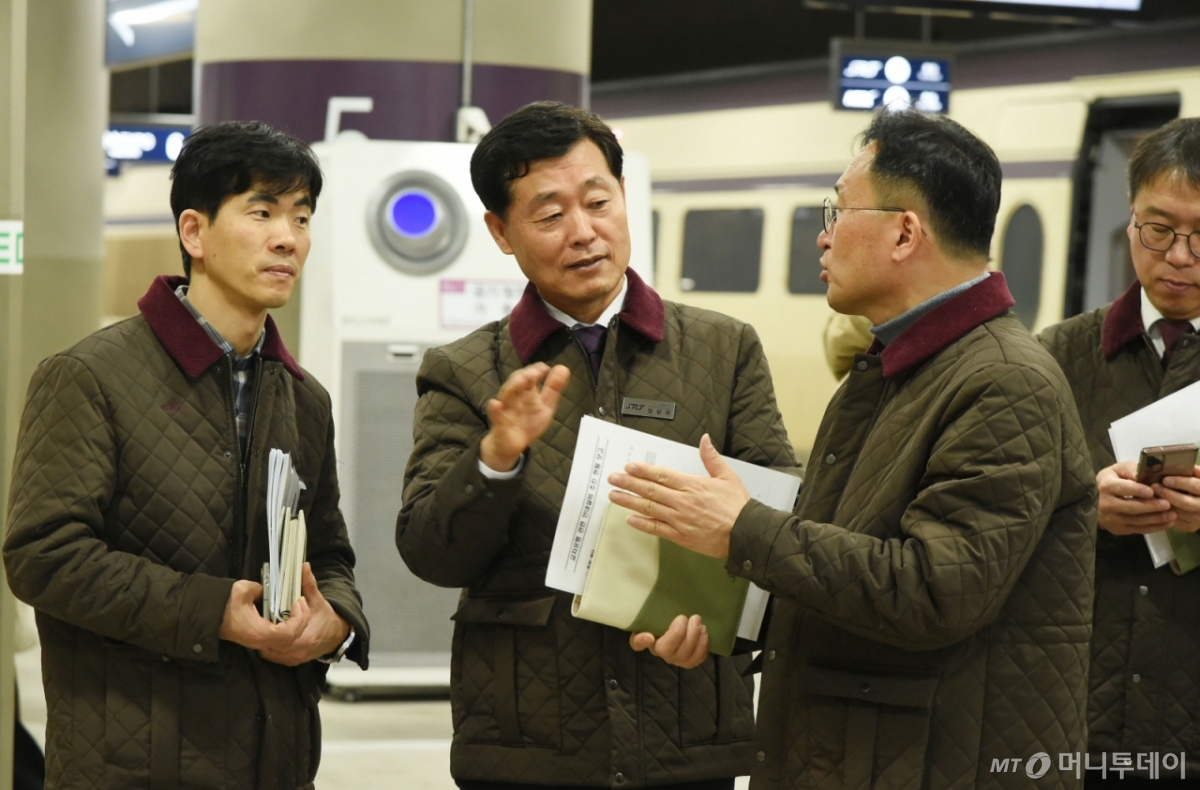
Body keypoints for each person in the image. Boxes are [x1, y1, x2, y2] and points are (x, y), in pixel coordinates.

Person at [607, 110, 1097, 789]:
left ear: (904, 233)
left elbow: (935, 591)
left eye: (837, 211)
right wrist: (728, 621)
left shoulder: (1005, 382)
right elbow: (846, 565)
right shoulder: (893, 366)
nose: (823, 235)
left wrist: (743, 529)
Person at [396, 101, 798, 790]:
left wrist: (728, 625)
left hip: (688, 729)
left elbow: (780, 528)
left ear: (624, 197)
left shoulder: (724, 349)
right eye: (550, 215)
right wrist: (496, 459)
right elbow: (432, 551)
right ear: (500, 232)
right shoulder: (464, 369)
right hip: (528, 741)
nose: (583, 232)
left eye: (598, 202)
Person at [3, 120, 369, 789]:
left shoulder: (303, 398)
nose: (288, 238)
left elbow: (329, 551)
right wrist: (211, 611)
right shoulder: (89, 377)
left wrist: (336, 620)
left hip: (275, 758)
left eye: (301, 217)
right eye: (261, 212)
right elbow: (42, 556)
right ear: (194, 232)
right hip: (133, 761)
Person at [1038, 117, 1200, 788]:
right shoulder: (1055, 357)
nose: (1180, 257)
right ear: (1129, 221)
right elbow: (990, 522)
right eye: (1158, 230)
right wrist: (1083, 508)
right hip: (1074, 716)